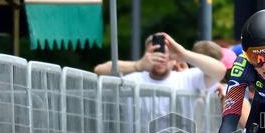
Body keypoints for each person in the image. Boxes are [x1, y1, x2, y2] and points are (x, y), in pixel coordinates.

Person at [94, 33, 225, 91]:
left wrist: (184, 54)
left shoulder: (187, 78)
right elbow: (99, 70)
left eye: (165, 52)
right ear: (146, 54)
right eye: (154, 52)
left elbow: (219, 71)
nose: (160, 57)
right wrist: (138, 65)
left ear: (174, 59)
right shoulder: (133, 79)